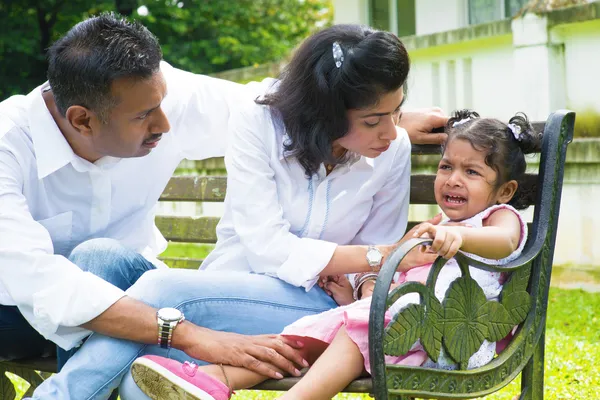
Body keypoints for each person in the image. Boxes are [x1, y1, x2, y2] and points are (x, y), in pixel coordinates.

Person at [27, 24, 448, 399]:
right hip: (225, 286)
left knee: (160, 292)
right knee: (95, 260)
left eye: (396, 112)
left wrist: (364, 279)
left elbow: (376, 254)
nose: (391, 132)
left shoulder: (393, 149)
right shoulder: (259, 121)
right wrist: (380, 253)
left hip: (317, 306)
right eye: (374, 120)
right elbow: (268, 247)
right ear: (325, 112)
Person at [129, 109, 540, 400]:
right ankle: (213, 378)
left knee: (347, 334)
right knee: (307, 335)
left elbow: (505, 244)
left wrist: (461, 240)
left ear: (504, 191)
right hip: (392, 318)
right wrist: (353, 295)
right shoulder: (440, 224)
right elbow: (402, 279)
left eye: (471, 172)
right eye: (446, 167)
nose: (452, 179)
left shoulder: (497, 219)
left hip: (442, 328)